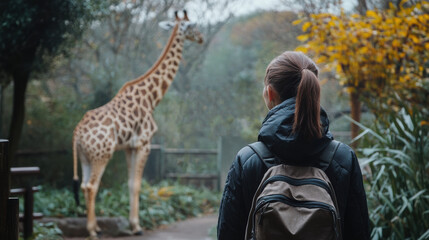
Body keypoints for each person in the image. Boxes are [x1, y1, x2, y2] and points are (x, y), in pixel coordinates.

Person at [217, 51, 370, 240]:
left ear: (269, 93)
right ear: (314, 92)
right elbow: (359, 233)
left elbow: (228, 233)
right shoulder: (343, 159)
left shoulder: (248, 160)